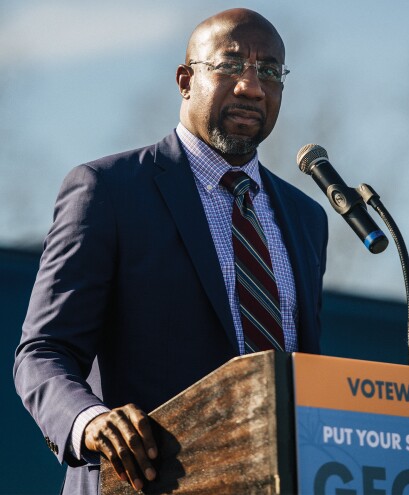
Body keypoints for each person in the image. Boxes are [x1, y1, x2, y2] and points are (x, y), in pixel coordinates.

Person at [13, 8, 327, 494]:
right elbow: (43, 351)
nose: (252, 87)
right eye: (229, 65)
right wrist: (89, 421)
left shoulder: (306, 218)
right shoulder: (108, 191)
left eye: (269, 71)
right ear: (185, 80)